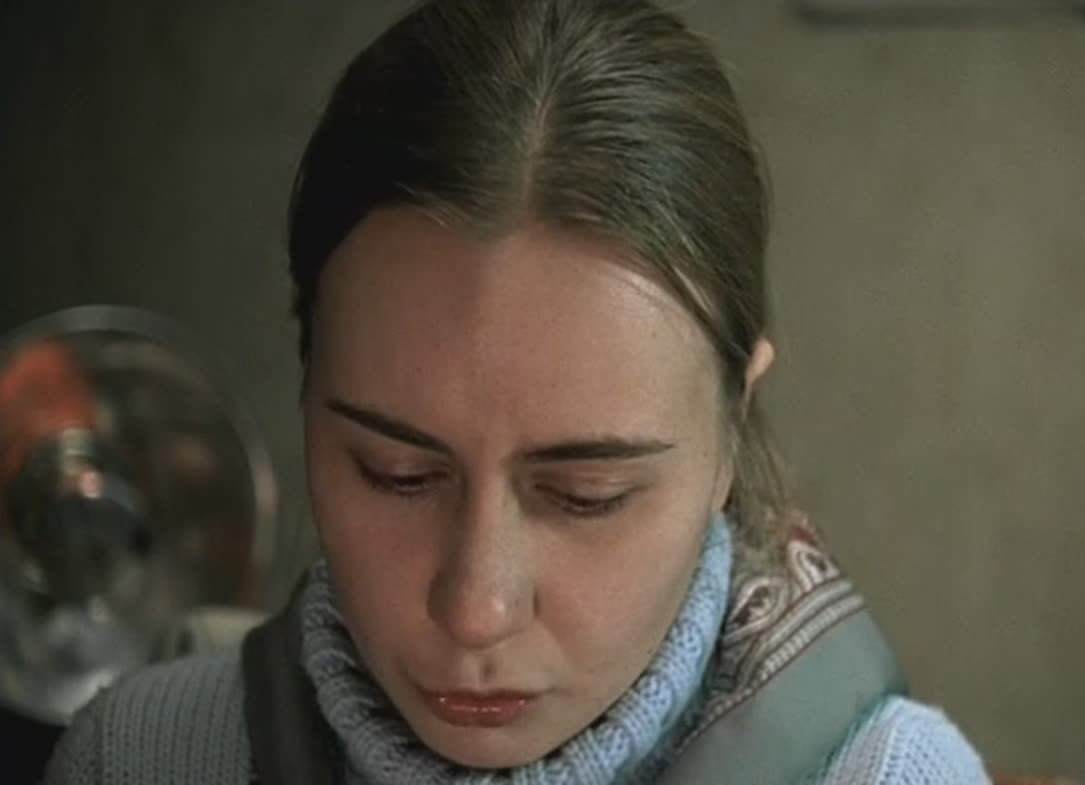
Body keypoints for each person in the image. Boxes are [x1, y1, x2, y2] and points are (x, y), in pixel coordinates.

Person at [44, 1, 990, 782]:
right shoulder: (138, 758)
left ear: (730, 434)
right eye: (396, 472)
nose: (476, 608)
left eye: (587, 495)